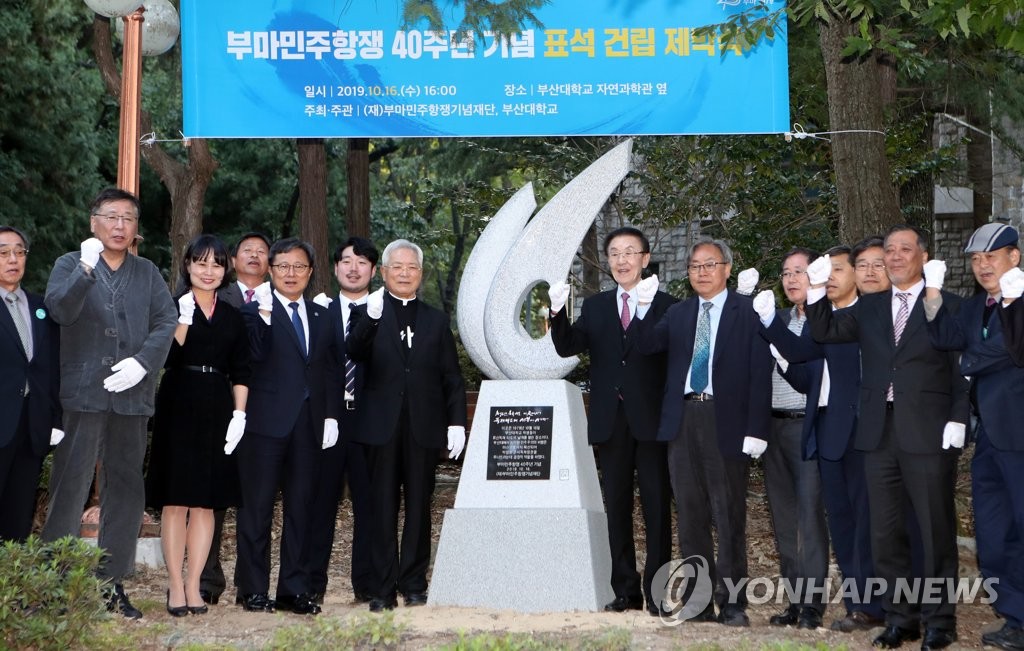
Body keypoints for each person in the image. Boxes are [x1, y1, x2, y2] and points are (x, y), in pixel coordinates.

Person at [803, 224, 968, 650]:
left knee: (933, 529)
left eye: (904, 249)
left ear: (923, 256)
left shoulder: (949, 304)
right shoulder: (871, 306)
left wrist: (958, 417)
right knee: (885, 530)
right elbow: (825, 331)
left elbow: (960, 369)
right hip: (877, 432)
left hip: (928, 431)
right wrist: (817, 289)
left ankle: (939, 621)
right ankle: (900, 618)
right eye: (889, 250)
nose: (895, 257)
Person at [41, 188, 177, 619]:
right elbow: (59, 311)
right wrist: (85, 269)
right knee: (70, 484)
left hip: (132, 396)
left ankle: (111, 582)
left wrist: (144, 362)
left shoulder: (147, 271)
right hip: (83, 393)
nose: (120, 226)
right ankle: (53, 581)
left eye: (128, 218)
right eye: (112, 216)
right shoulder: (69, 264)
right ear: (93, 222)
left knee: (126, 488)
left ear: (136, 228)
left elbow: (166, 319)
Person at [632, 235, 773, 627]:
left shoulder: (747, 312)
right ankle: (698, 601)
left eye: (710, 264)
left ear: (727, 269)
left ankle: (733, 602)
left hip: (726, 420)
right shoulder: (678, 313)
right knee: (690, 515)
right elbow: (646, 345)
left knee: (729, 514)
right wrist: (642, 308)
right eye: (695, 266)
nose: (702, 272)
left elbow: (760, 373)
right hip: (682, 420)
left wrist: (757, 428)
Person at [547, 226, 676, 616]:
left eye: (629, 252)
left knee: (656, 508)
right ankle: (625, 591)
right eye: (615, 253)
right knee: (616, 509)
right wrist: (556, 312)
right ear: (608, 261)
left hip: (652, 422)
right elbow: (568, 346)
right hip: (610, 421)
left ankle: (657, 593)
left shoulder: (667, 306)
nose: (622, 260)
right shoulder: (597, 306)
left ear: (645, 258)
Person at [755, 244, 884, 632]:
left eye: (836, 270)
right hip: (825, 427)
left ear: (857, 275)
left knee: (864, 520)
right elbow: (800, 355)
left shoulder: (866, 313)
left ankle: (876, 604)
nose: (827, 279)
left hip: (861, 429)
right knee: (842, 522)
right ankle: (859, 606)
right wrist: (769, 321)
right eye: (824, 273)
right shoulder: (826, 317)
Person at [346, 239, 467, 612]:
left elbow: (451, 377)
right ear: (383, 272)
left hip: (423, 428)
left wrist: (456, 423)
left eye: (411, 267)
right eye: (396, 267)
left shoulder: (435, 320)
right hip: (379, 428)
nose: (404, 273)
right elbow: (353, 350)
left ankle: (414, 583)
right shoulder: (367, 312)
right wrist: (371, 319)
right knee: (381, 509)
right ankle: (382, 589)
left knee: (418, 507)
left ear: (420, 273)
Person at [924, 223, 1024, 650]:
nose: (982, 266)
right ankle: (1015, 617)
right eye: (976, 259)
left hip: (1019, 435)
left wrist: (966, 362)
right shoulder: (974, 306)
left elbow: (1007, 350)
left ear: (1014, 257)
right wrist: (932, 293)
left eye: (991, 257)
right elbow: (943, 337)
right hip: (989, 439)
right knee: (994, 531)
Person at [234, 237, 342, 616]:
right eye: (282, 266)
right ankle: (252, 589)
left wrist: (331, 415)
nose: (290, 273)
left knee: (301, 509)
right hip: (264, 425)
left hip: (308, 426)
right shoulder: (253, 312)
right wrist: (263, 318)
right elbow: (250, 358)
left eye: (299, 266)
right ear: (270, 270)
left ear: (310, 272)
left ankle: (293, 590)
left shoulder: (322, 315)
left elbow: (330, 369)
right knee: (257, 509)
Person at [145, 234, 250, 617]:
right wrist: (182, 321)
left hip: (218, 405)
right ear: (187, 265)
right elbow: (165, 357)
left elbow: (242, 370)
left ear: (226, 269)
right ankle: (175, 585)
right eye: (201, 262)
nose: (208, 271)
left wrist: (239, 414)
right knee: (176, 501)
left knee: (206, 503)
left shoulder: (234, 315)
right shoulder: (171, 307)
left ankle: (194, 585)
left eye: (216, 264)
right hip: (178, 402)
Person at [751, 247, 830, 630]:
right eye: (786, 273)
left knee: (809, 518)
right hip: (774, 427)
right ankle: (795, 601)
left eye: (799, 271)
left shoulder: (826, 319)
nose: (791, 279)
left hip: (808, 426)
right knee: (783, 518)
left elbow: (809, 371)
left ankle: (813, 605)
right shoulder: (776, 318)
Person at [199, 231, 270, 606]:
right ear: (233, 259)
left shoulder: (282, 297)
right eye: (247, 250)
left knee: (255, 501)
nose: (255, 256)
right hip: (218, 407)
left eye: (262, 251)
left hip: (266, 413)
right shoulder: (213, 294)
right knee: (213, 497)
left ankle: (251, 583)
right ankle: (207, 579)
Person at [307, 236, 378, 604]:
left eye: (362, 262)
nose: (354, 268)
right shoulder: (318, 312)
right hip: (328, 420)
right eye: (347, 261)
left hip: (369, 422)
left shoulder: (382, 314)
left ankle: (366, 585)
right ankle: (311, 585)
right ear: (335, 268)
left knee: (370, 505)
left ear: (373, 271)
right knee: (320, 503)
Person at [0, 226, 62, 542]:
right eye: (3, 253)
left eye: (19, 252)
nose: (13, 259)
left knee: (19, 515)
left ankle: (14, 571)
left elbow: (52, 369)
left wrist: (56, 419)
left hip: (31, 426)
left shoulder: (42, 307)